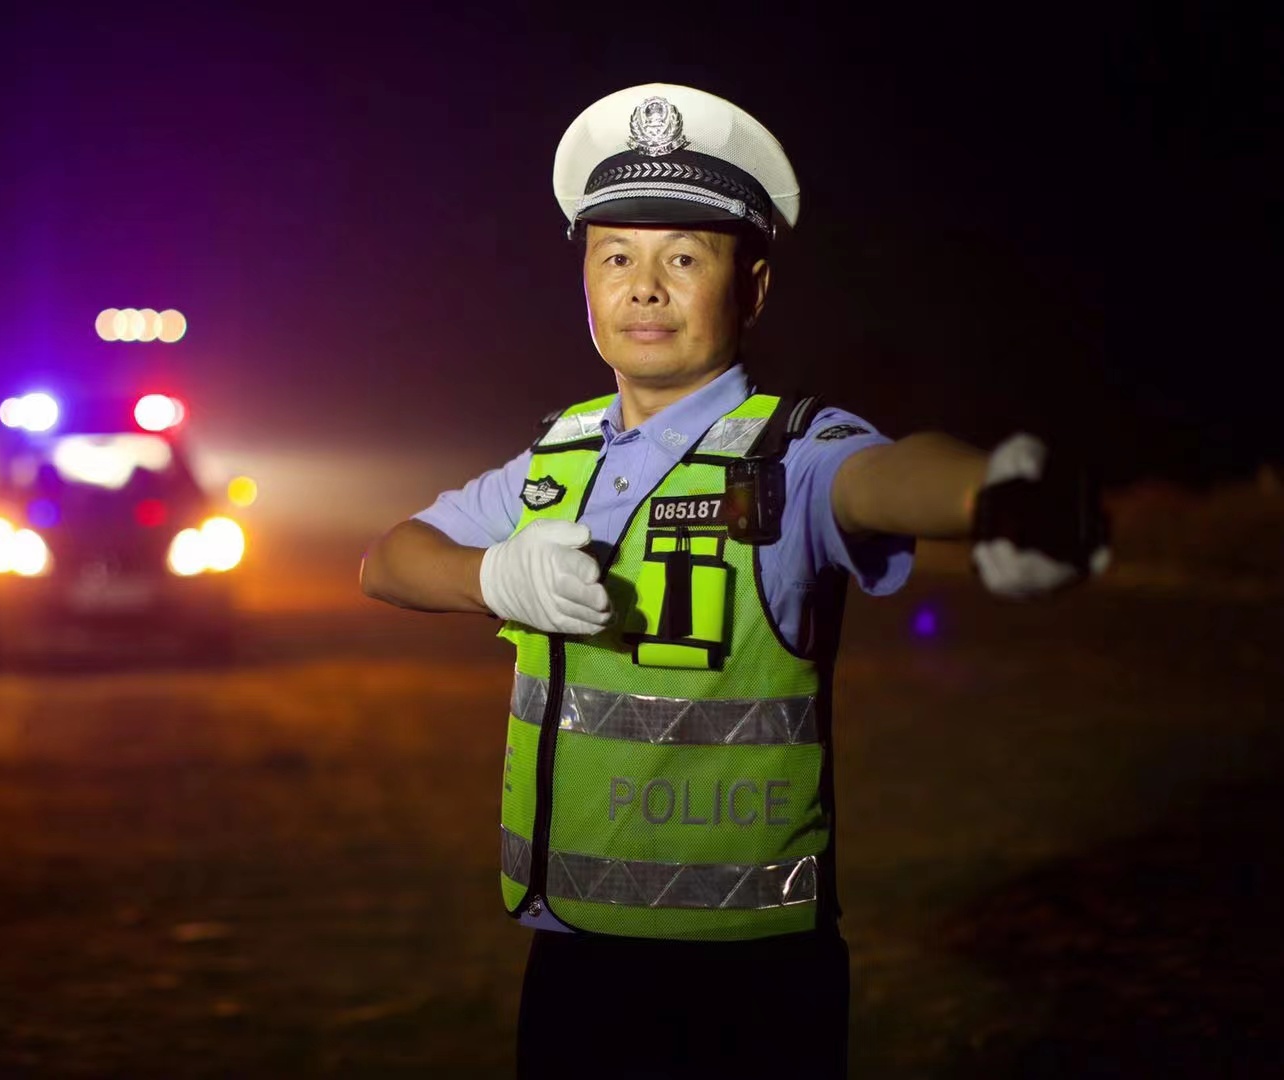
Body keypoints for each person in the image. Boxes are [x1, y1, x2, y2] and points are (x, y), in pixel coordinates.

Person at [360, 83, 1108, 1079]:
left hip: (748, 981)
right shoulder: (557, 458)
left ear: (750, 287)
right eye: (615, 255)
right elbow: (387, 561)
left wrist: (993, 498)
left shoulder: (790, 452)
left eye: (684, 256)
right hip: (575, 957)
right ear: (584, 280)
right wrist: (492, 575)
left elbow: (881, 478)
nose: (645, 287)